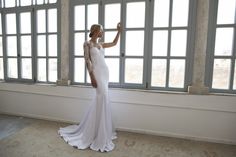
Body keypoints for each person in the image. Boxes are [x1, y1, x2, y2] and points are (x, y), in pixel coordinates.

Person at [58, 23, 122, 152]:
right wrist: (91, 77)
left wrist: (119, 31)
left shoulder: (101, 44)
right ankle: (94, 131)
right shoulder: (87, 44)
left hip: (105, 73)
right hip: (97, 73)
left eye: (102, 31)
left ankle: (100, 131)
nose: (102, 32)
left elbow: (114, 43)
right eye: (101, 30)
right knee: (101, 97)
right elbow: (87, 61)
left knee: (103, 99)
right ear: (96, 31)